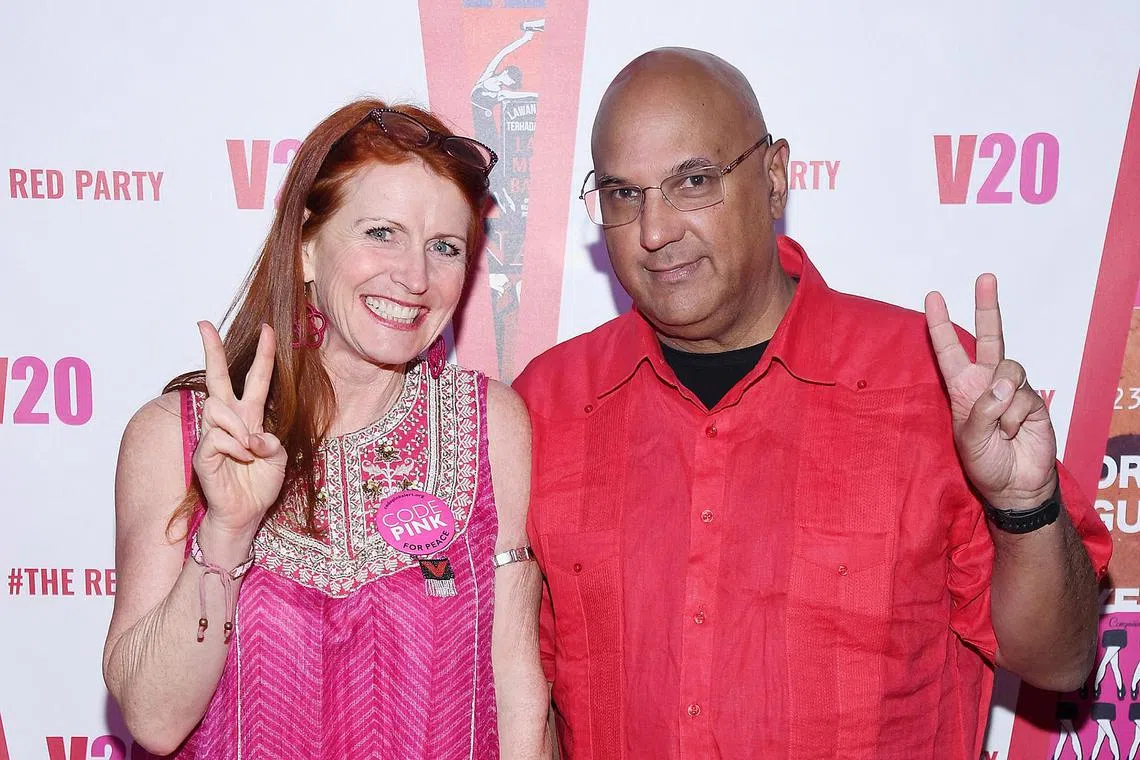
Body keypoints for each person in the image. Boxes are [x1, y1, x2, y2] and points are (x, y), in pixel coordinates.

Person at [513, 48, 1113, 759]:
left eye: (693, 182)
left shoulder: (930, 381)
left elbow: (1060, 661)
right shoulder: (547, 405)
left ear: (774, 178)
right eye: (623, 194)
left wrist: (1024, 506)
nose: (654, 231)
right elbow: (521, 699)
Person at [102, 99, 551, 759]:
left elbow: (516, 692)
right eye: (381, 233)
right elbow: (155, 720)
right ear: (307, 248)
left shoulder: (490, 425)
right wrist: (226, 532)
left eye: (445, 247)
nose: (416, 276)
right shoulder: (175, 437)